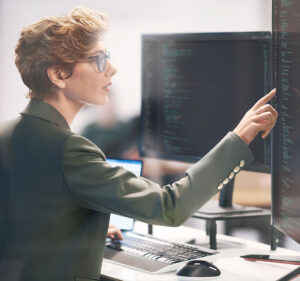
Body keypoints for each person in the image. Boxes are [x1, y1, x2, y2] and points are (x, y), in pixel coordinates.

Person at [0, 6, 277, 281]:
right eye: (98, 60)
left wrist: (86, 228)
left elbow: (27, 216)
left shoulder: (8, 134)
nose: (112, 69)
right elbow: (169, 207)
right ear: (58, 74)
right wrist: (240, 138)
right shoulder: (68, 150)